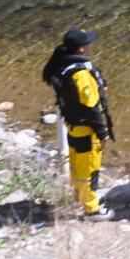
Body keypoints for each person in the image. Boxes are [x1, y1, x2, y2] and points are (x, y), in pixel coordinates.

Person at [41, 26, 115, 221]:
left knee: (76, 163)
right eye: (87, 42)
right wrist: (103, 133)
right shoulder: (79, 74)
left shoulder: (60, 65)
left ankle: (79, 195)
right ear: (82, 49)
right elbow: (90, 107)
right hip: (86, 129)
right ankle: (92, 209)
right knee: (89, 168)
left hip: (73, 126)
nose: (90, 44)